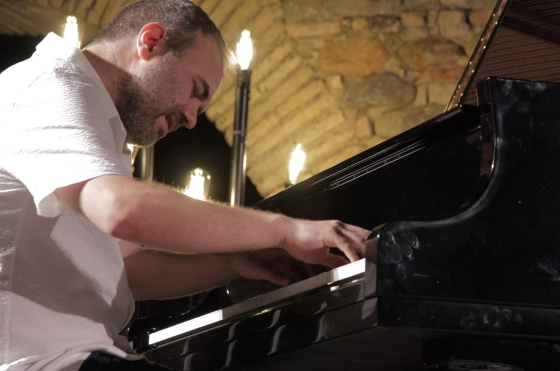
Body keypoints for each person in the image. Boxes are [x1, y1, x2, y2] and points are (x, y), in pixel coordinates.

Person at [0, 0, 368, 370]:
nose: (191, 119)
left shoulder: (97, 126)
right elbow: (120, 209)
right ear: (151, 41)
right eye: (196, 90)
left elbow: (130, 269)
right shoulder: (51, 84)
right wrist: (285, 229)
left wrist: (236, 259)